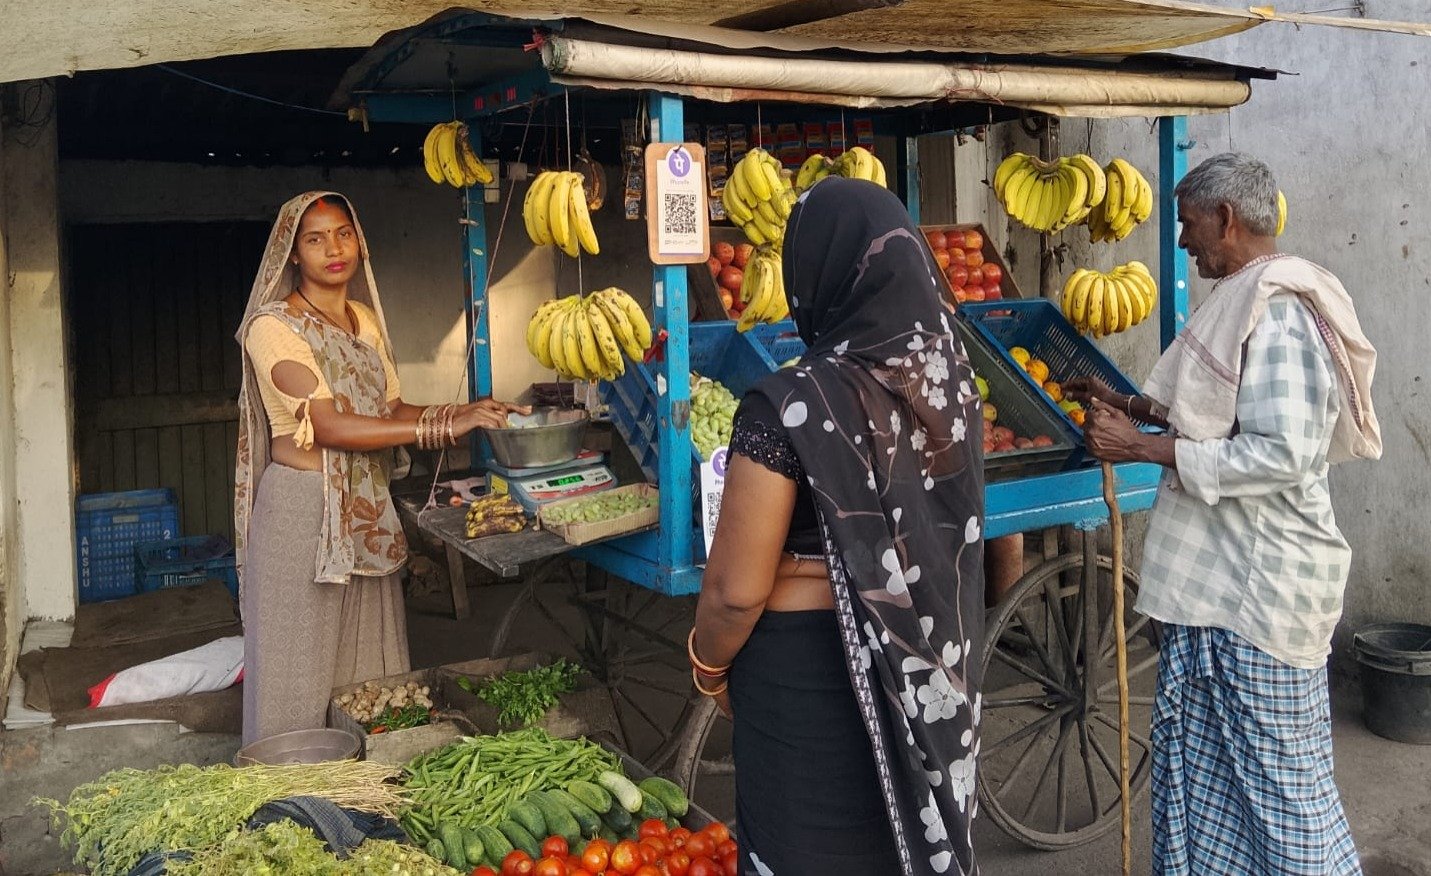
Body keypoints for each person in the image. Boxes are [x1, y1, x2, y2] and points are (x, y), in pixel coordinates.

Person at [1067, 153, 1381, 875]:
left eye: (1187, 225)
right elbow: (1220, 420)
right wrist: (1133, 407)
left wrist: (1145, 449)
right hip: (1223, 597)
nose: (1181, 242)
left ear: (1225, 218)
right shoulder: (1246, 299)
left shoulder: (1276, 314)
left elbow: (1281, 455)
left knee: (1282, 796)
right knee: (1209, 785)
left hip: (1258, 598)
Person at [690, 178, 986, 876]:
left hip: (802, 678)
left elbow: (735, 590)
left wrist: (706, 665)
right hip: (927, 670)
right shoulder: (953, 387)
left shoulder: (790, 403)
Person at [234, 192, 527, 745]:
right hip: (303, 513)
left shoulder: (362, 320)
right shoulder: (271, 327)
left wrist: (464, 412)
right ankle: (288, 802)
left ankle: (364, 796)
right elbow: (326, 424)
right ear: (292, 253)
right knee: (295, 673)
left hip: (365, 512)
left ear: (359, 240)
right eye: (315, 239)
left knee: (370, 674)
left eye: (343, 233)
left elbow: (389, 411)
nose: (333, 249)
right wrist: (438, 430)